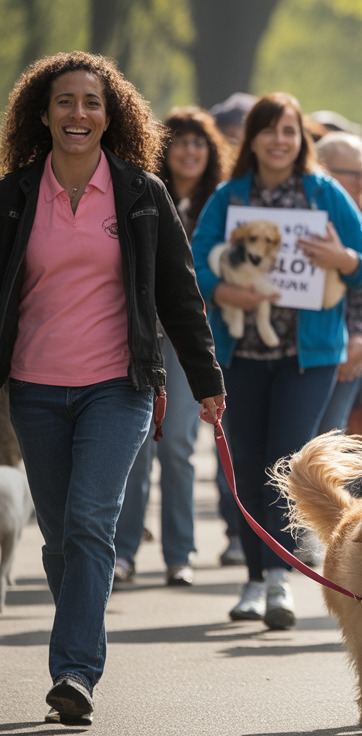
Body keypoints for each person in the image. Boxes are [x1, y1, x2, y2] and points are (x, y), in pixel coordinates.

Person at [0, 51, 225, 726]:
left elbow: (181, 295)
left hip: (117, 385)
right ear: (42, 114)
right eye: (65, 101)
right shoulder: (13, 197)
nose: (78, 113)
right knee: (60, 537)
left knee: (92, 520)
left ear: (111, 114)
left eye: (92, 102)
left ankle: (73, 671)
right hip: (35, 388)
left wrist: (206, 379)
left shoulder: (140, 194)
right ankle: (81, 653)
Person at [192, 92, 362, 630]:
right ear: (250, 139)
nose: (279, 140)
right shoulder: (230, 197)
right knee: (246, 465)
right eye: (268, 130)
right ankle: (253, 579)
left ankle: (279, 578)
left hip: (309, 357)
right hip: (240, 355)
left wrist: (340, 258)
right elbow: (193, 264)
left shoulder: (325, 194)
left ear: (302, 140)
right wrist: (223, 290)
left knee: (285, 463)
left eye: (289, 131)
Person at [115, 107, 232, 586]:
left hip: (191, 340)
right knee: (135, 446)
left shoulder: (220, 207)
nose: (188, 150)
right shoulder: (140, 195)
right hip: (140, 335)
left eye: (198, 142)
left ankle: (179, 553)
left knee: (179, 446)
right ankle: (122, 553)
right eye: (178, 141)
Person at [314, 131, 362, 442]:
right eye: (354, 174)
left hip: (347, 353)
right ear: (325, 174)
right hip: (303, 349)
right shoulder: (305, 218)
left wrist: (360, 336)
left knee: (327, 444)